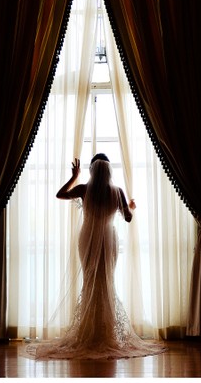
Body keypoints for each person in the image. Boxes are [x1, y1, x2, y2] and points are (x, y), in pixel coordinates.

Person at [25, 153, 166, 360]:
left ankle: (90, 332)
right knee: (106, 282)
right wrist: (130, 207)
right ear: (109, 171)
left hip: (87, 241)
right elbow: (127, 218)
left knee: (90, 281)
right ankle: (104, 332)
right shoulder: (117, 192)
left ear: (91, 170)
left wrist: (74, 176)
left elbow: (60, 194)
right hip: (108, 242)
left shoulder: (84, 189)